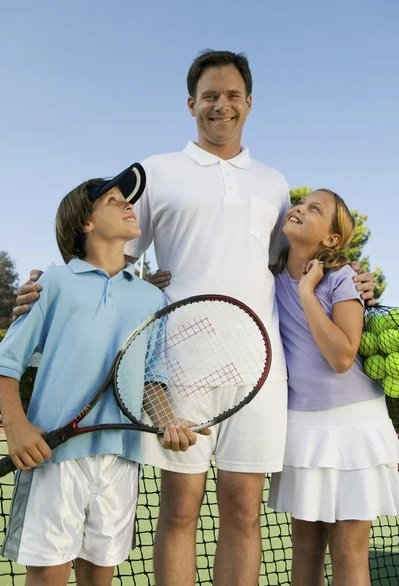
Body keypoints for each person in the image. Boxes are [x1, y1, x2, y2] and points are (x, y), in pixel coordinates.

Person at [13, 50, 376, 586]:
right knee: (180, 513)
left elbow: (295, 261)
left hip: (261, 374)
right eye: (209, 96)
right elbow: (103, 249)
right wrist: (45, 288)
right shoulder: (158, 172)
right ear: (191, 104)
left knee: (244, 515)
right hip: (176, 370)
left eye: (232, 96)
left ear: (249, 103)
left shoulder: (275, 184)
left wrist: (353, 277)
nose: (220, 105)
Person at [0, 165, 200, 586]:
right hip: (54, 458)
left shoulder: (151, 297)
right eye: (114, 201)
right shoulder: (53, 283)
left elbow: (151, 377)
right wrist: (16, 429)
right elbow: (7, 362)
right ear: (86, 223)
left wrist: (167, 420)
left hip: (121, 457)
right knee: (49, 575)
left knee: (100, 574)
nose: (127, 204)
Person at [267, 189, 399, 586]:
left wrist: (307, 293)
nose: (299, 208)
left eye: (314, 209)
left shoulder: (342, 278)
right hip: (301, 426)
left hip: (355, 425)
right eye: (300, 204)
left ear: (331, 240)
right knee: (305, 545)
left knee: (348, 546)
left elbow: (342, 358)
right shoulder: (267, 278)